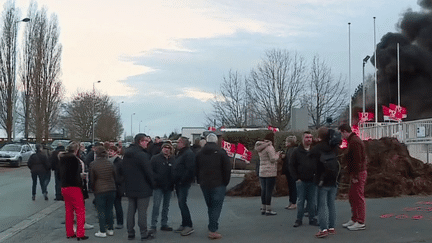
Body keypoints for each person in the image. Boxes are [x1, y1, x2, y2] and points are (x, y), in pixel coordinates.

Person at [196, 133, 231, 240]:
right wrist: (225, 182)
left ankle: (211, 225)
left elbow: (196, 168)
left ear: (206, 141)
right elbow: (227, 169)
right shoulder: (221, 153)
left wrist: (199, 180)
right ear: (216, 141)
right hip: (218, 183)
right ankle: (213, 230)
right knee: (216, 206)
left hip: (204, 184)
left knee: (210, 205)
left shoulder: (200, 153)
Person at [122, 133, 155, 241]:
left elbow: (123, 171)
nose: (147, 143)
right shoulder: (142, 155)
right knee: (142, 212)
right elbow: (148, 172)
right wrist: (153, 184)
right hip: (143, 187)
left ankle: (130, 233)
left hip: (130, 186)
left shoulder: (127, 154)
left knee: (130, 211)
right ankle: (144, 234)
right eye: (146, 141)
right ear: (140, 142)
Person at [310, 127, 340, 238]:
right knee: (331, 204)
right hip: (334, 179)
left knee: (321, 205)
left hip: (321, 180)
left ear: (319, 136)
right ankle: (331, 227)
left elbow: (311, 157)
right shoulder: (334, 147)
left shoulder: (317, 148)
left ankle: (323, 229)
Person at [338, 124, 368, 231]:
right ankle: (355, 218)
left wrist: (355, 175)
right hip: (357, 172)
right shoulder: (354, 140)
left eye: (341, 133)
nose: (341, 136)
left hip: (358, 173)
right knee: (353, 196)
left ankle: (360, 221)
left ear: (344, 131)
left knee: (358, 196)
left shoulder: (354, 142)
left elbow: (357, 160)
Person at [59, 142, 89, 240]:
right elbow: (76, 175)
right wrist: (82, 177)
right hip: (74, 187)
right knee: (80, 211)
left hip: (64, 187)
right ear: (76, 150)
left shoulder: (62, 159)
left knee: (68, 211)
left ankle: (69, 232)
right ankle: (80, 233)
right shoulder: (75, 160)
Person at [289, 131, 319, 227]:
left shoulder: (314, 151)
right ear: (303, 139)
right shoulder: (296, 151)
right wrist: (296, 178)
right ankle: (299, 219)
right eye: (307, 137)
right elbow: (291, 165)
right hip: (301, 181)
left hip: (312, 180)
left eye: (310, 137)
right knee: (300, 201)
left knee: (312, 201)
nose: (309, 139)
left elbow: (318, 164)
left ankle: (312, 218)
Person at [89, 146, 117, 238]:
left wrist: (93, 188)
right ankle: (110, 229)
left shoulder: (93, 164)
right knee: (109, 209)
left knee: (101, 210)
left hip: (100, 189)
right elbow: (114, 175)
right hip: (111, 188)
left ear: (96, 154)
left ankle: (102, 230)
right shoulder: (110, 163)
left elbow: (92, 179)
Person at [149, 143, 175, 234]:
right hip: (158, 186)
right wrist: (155, 181)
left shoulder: (173, 159)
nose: (166, 149)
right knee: (156, 205)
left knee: (166, 206)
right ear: (162, 148)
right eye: (165, 147)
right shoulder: (155, 158)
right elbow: (151, 172)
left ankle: (164, 223)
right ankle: (153, 225)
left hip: (169, 186)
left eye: (168, 148)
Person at [172, 136, 196, 236]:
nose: (177, 144)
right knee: (181, 203)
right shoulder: (181, 153)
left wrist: (182, 181)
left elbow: (189, 169)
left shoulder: (188, 154)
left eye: (178, 142)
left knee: (182, 203)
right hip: (179, 183)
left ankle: (188, 225)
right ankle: (184, 223)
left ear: (183, 143)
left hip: (183, 183)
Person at [255, 132, 280, 216]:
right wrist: (278, 155)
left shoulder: (260, 146)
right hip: (270, 171)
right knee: (269, 191)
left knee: (263, 190)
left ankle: (263, 207)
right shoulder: (269, 147)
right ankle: (268, 209)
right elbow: (272, 159)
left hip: (262, 171)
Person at [108, 145, 125, 229]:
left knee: (117, 205)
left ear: (115, 152)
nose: (109, 152)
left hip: (117, 186)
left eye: (111, 151)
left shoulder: (120, 162)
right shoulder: (107, 161)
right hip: (109, 186)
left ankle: (120, 222)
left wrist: (120, 183)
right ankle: (109, 222)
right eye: (109, 151)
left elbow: (123, 175)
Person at [281, 135, 298, 210]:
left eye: (286, 142)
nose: (285, 143)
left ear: (290, 143)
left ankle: (293, 203)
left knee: (293, 187)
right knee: (290, 187)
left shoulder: (293, 150)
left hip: (291, 172)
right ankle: (291, 202)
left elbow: (291, 162)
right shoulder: (289, 149)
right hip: (289, 171)